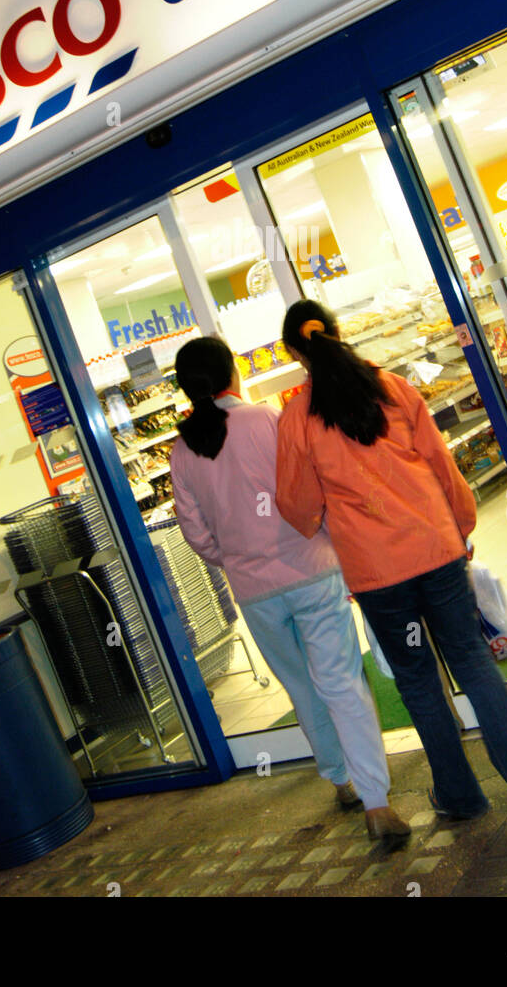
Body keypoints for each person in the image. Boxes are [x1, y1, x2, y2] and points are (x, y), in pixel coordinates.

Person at [275, 299, 507, 824]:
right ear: (338, 331)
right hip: (436, 551)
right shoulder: (393, 387)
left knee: (418, 679)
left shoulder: (298, 417)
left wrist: (331, 513)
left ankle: (459, 797)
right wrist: (461, 523)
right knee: (473, 664)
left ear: (296, 353)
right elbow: (439, 460)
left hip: (378, 577)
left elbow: (296, 506)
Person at [169, 335, 407, 846]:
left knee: (301, 686)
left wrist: (237, 557)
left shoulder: (182, 451)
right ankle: (377, 803)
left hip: (254, 592)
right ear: (231, 373)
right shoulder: (264, 421)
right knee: (341, 683)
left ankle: (340, 781)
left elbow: (194, 533)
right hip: (311, 572)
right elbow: (310, 483)